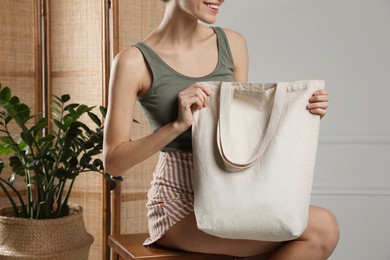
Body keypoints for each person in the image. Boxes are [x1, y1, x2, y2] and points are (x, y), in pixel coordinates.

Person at [103, 0, 340, 259]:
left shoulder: (233, 44)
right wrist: (177, 125)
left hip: (232, 194)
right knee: (320, 230)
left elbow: (241, 131)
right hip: (178, 208)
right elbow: (113, 162)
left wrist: (304, 112)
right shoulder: (132, 61)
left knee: (324, 227)